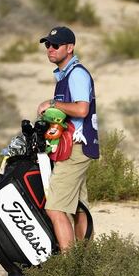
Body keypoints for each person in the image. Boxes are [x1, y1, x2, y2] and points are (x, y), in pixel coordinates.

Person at [36, 26, 99, 251]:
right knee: (79, 207)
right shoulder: (65, 75)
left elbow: (82, 110)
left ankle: (69, 267)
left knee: (55, 208)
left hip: (75, 149)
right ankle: (85, 259)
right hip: (76, 148)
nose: (50, 49)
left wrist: (51, 104)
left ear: (70, 48)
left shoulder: (77, 74)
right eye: (47, 45)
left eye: (55, 45)